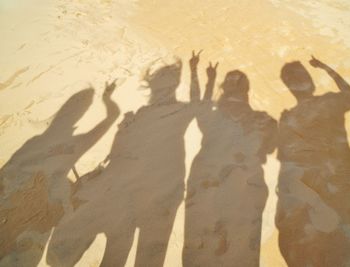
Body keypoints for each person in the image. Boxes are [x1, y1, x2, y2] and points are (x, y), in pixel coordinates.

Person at [47, 56, 197, 267]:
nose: (159, 94)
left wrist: (196, 73)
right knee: (117, 247)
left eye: (164, 88)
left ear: (172, 86)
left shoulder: (178, 111)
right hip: (121, 191)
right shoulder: (142, 114)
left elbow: (198, 104)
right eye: (158, 89)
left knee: (128, 250)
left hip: (141, 193)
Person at [275, 56, 350, 266]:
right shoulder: (329, 102)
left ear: (289, 87)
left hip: (320, 192)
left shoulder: (289, 117)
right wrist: (327, 69)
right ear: (309, 80)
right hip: (347, 188)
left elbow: (286, 163)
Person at [0, 83, 119, 266]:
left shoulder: (36, 142)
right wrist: (107, 99)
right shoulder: (72, 145)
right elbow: (112, 118)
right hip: (32, 228)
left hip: (21, 220)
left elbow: (6, 173)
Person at [183, 53, 277, 266]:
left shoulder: (212, 117)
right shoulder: (262, 120)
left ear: (225, 90)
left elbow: (197, 103)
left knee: (201, 249)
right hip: (243, 190)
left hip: (207, 185)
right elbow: (271, 148)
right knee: (240, 250)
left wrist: (200, 75)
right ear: (246, 91)